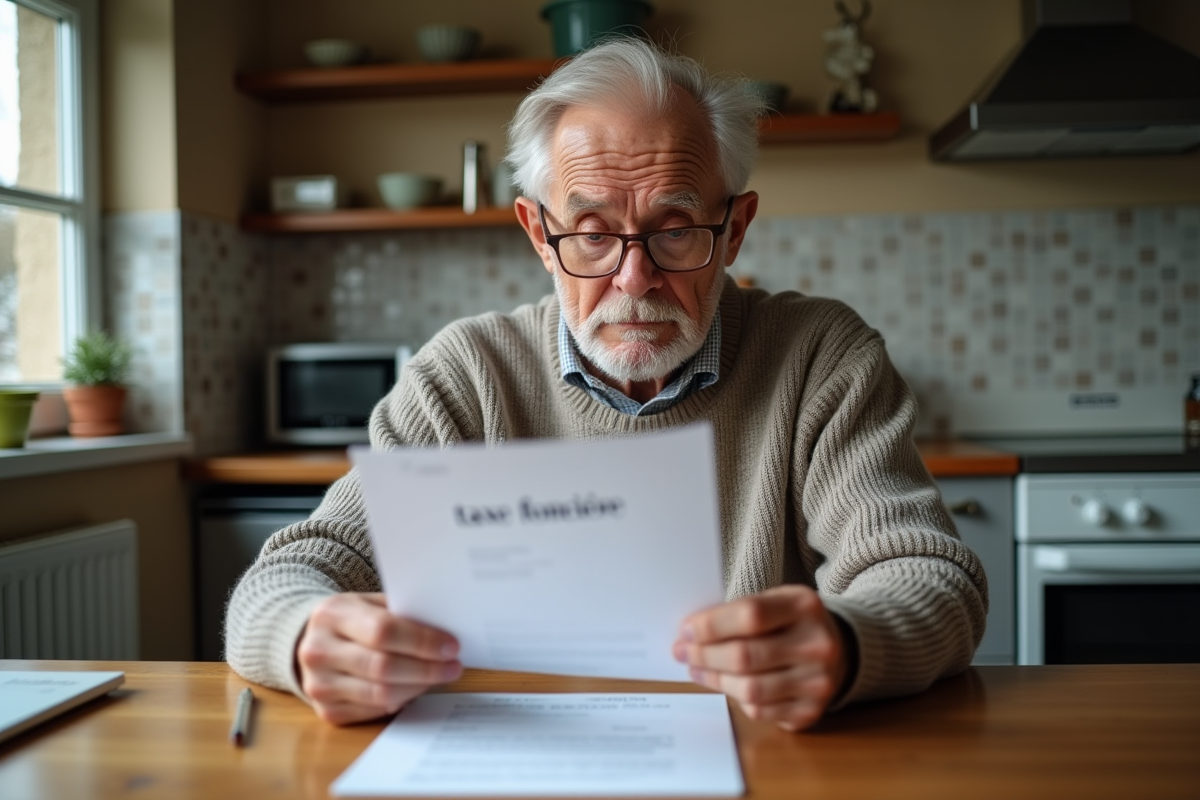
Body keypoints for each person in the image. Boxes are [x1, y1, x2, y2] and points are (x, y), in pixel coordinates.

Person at [225, 37, 987, 732]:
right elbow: (287, 575)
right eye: (592, 234)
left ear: (736, 228)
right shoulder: (462, 376)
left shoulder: (823, 356)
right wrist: (304, 639)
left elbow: (931, 577)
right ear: (538, 234)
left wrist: (852, 645)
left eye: (676, 228)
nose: (635, 278)